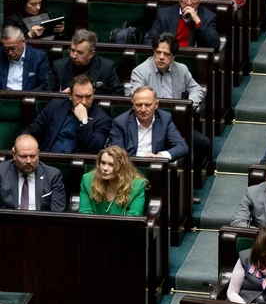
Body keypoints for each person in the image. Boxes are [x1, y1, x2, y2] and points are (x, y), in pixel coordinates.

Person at [130, 33, 211, 196]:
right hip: (151, 125)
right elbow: (138, 101)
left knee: (203, 143)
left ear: (173, 56)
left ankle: (189, 187)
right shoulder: (140, 72)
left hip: (176, 125)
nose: (161, 57)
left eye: (166, 54)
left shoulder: (181, 70)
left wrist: (188, 106)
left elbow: (197, 89)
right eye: (158, 52)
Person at [25, 74, 111, 153]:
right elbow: (33, 130)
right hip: (48, 158)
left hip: (76, 162)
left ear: (93, 94)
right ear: (70, 95)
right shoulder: (55, 106)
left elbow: (95, 149)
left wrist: (84, 121)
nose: (84, 102)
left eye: (88, 96)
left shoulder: (102, 119)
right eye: (79, 96)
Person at [109, 86, 189, 161]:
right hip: (130, 165)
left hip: (155, 166)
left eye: (148, 105)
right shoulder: (120, 122)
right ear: (133, 105)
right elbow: (117, 154)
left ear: (156, 104)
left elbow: (182, 147)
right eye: (139, 105)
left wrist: (160, 156)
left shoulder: (164, 119)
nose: (143, 109)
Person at [144, 0, 221, 52]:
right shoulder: (164, 14)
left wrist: (197, 21)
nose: (188, 3)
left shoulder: (209, 16)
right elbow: (149, 41)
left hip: (193, 58)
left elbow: (215, 45)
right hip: (168, 56)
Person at [46, 29, 124, 95]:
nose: (73, 55)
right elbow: (46, 94)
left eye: (79, 52)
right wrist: (61, 95)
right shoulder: (59, 66)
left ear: (91, 54)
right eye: (72, 50)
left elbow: (118, 96)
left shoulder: (107, 67)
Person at [0, 134, 65, 212]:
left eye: (33, 156)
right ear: (14, 154)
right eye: (23, 156)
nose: (28, 161)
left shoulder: (53, 175)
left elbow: (57, 212)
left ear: (38, 154)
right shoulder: (1, 172)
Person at [78, 146, 148, 216]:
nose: (105, 168)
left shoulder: (137, 185)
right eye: (103, 163)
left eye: (111, 165)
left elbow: (133, 217)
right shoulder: (87, 180)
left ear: (122, 167)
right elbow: (85, 214)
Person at [0, 25, 50, 91]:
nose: (10, 53)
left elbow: (45, 84)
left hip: (29, 96)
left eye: (13, 48)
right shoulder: (1, 54)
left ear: (23, 42)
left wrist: (28, 95)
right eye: (6, 49)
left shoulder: (39, 56)